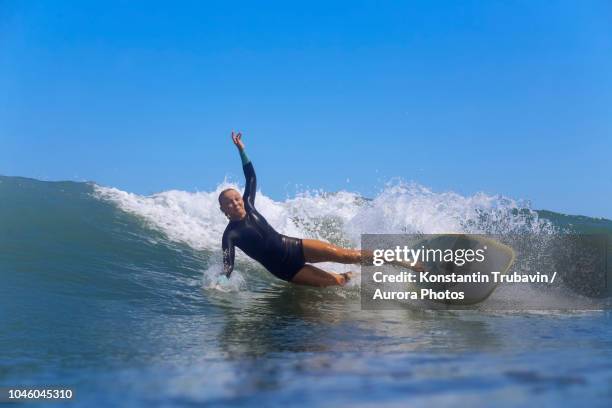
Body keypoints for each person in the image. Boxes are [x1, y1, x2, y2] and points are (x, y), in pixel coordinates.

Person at [219, 131, 421, 287]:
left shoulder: (249, 204)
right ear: (224, 210)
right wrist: (221, 284)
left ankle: (400, 262)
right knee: (339, 281)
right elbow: (228, 265)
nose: (236, 202)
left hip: (294, 247)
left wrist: (241, 150)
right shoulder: (231, 235)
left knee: (347, 256)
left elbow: (251, 177)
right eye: (229, 202)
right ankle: (367, 277)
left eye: (236, 198)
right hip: (285, 271)